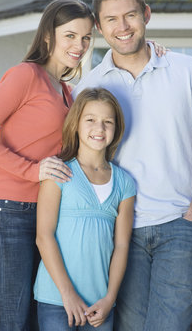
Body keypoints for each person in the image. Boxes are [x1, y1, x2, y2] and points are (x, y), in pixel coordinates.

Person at [72, 0, 192, 331]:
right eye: (111, 19)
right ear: (99, 26)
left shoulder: (187, 71)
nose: (122, 27)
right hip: (117, 231)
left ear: (146, 14)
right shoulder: (90, 86)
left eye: (130, 15)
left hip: (178, 227)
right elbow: (77, 159)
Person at [0, 0, 95, 331]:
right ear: (48, 36)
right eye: (70, 35)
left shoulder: (68, 91)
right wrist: (29, 169)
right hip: (11, 210)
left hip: (49, 212)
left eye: (85, 37)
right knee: (15, 315)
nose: (79, 45)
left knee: (41, 314)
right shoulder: (26, 75)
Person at [34, 88, 135, 330]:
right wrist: (68, 294)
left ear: (116, 128)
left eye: (107, 122)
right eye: (90, 120)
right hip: (57, 299)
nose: (99, 129)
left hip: (99, 305)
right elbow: (43, 237)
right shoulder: (58, 173)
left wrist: (110, 299)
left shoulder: (124, 183)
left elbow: (121, 246)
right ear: (76, 124)